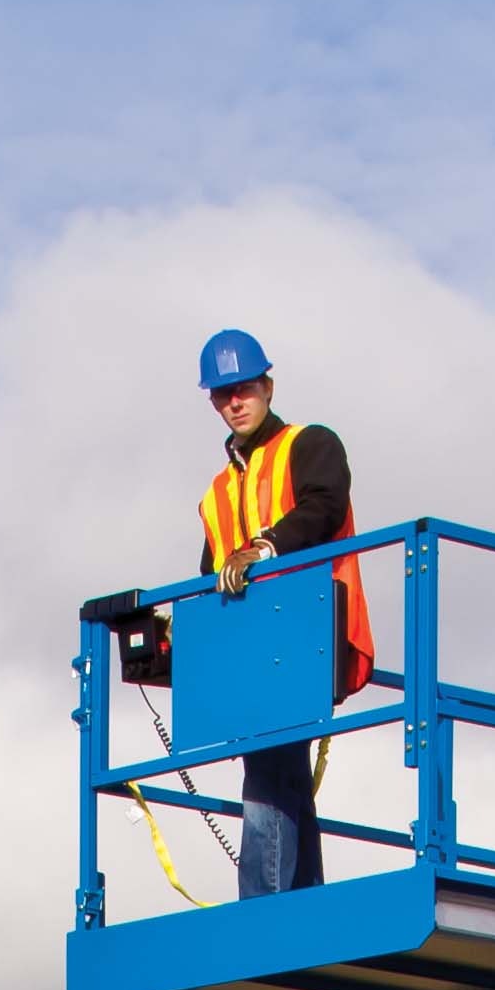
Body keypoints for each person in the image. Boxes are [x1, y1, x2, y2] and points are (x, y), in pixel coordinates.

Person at [194, 327, 373, 897]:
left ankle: (264, 909)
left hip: (306, 633)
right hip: (252, 649)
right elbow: (209, 574)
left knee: (270, 770)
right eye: (223, 394)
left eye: (244, 387)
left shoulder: (309, 444)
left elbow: (324, 503)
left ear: (267, 385)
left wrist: (265, 548)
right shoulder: (216, 493)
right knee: (281, 774)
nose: (235, 402)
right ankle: (304, 903)